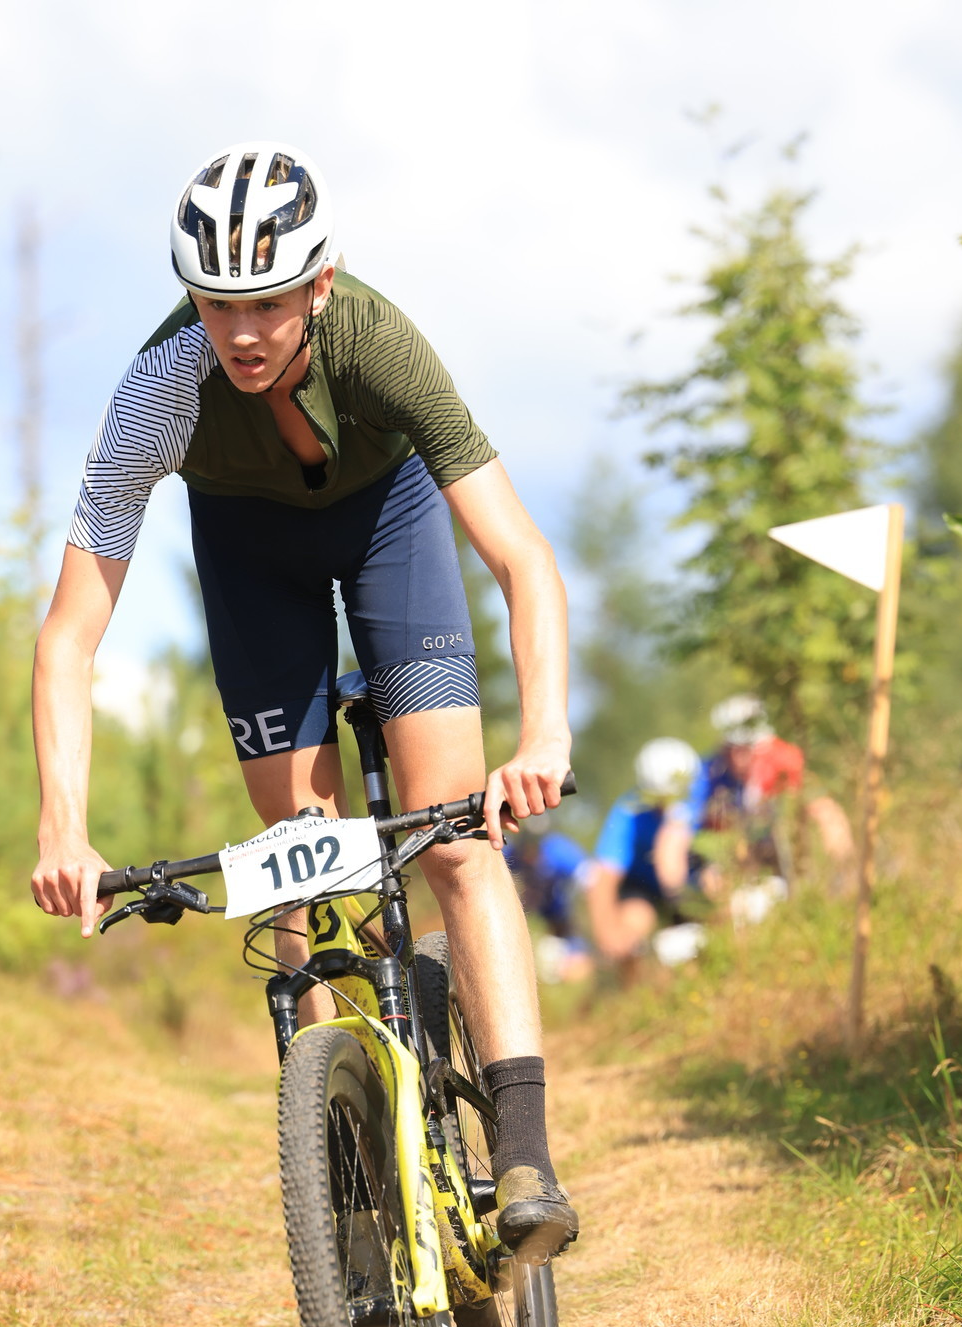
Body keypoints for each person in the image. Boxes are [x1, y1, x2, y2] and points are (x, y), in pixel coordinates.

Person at [30, 142, 578, 1261]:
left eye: (268, 303)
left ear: (318, 285)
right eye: (217, 304)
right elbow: (68, 637)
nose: (242, 332)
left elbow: (522, 559)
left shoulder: (376, 341)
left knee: (454, 837)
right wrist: (63, 827)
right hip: (249, 555)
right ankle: (345, 1171)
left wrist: (543, 734)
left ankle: (524, 1154)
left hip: (389, 526)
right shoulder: (157, 390)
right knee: (303, 855)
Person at [586, 738, 713, 964]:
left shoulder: (707, 794)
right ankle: (636, 981)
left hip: (694, 885)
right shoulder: (628, 812)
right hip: (643, 889)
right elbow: (603, 877)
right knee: (633, 922)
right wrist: (607, 934)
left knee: (716, 884)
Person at [697, 695, 854, 874]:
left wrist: (844, 869)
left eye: (745, 748)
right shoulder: (712, 771)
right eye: (733, 748)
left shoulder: (783, 760)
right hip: (740, 857)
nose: (738, 758)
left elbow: (826, 812)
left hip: (786, 849)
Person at [503, 825, 595, 982]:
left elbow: (593, 882)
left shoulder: (558, 850)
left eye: (534, 847)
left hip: (561, 919)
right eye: (526, 846)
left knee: (578, 967)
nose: (529, 854)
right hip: (524, 916)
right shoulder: (512, 852)